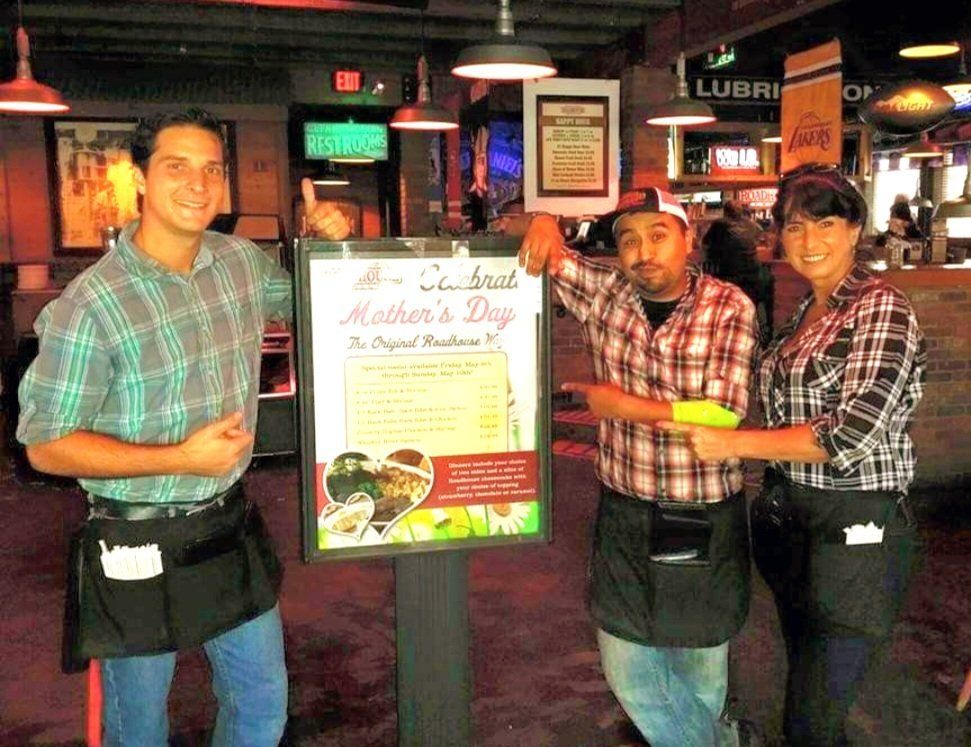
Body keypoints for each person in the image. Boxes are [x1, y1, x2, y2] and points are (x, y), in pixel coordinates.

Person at [17, 107, 349, 746]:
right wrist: (180, 458)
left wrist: (327, 245)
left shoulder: (240, 263)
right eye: (177, 167)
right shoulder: (92, 303)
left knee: (262, 707)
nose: (198, 184)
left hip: (227, 524)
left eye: (212, 170)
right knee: (138, 730)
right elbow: (46, 446)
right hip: (134, 541)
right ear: (141, 178)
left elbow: (322, 302)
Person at [660, 163, 926, 746]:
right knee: (811, 691)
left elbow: (850, 434)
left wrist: (734, 443)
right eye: (795, 226)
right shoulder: (805, 312)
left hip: (857, 527)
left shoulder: (880, 307)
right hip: (793, 521)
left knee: (811, 714)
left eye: (825, 224)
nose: (809, 241)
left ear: (854, 229)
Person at [519, 188, 760, 747]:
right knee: (627, 668)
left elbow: (723, 413)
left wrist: (623, 406)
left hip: (698, 512)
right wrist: (544, 219)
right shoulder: (606, 293)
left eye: (658, 235)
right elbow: (543, 251)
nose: (642, 252)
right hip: (625, 510)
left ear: (688, 239)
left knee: (699, 671)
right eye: (628, 240)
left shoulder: (727, 305)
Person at [702, 200, 774, 343]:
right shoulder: (751, 224)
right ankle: (755, 334)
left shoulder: (719, 224)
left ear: (725, 212)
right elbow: (763, 238)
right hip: (753, 275)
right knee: (753, 303)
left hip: (729, 275)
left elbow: (705, 243)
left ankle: (729, 334)